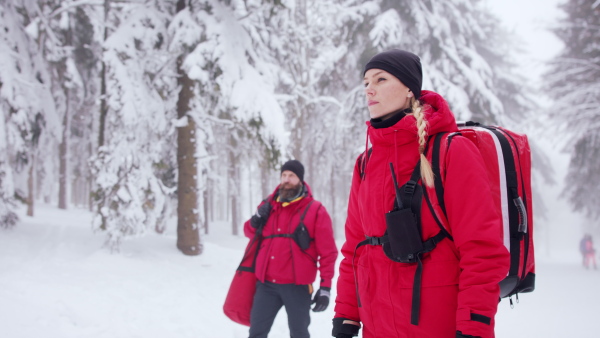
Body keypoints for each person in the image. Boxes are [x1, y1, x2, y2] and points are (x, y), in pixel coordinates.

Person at [332, 49, 510, 338]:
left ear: (408, 90)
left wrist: (474, 324)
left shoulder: (451, 152)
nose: (369, 89)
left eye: (380, 79)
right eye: (365, 82)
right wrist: (346, 313)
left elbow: (481, 250)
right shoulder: (365, 163)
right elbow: (356, 247)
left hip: (437, 326)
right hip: (377, 325)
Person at [244, 159, 338, 338]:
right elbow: (249, 232)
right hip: (266, 285)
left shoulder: (315, 210)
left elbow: (328, 253)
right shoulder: (267, 206)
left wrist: (325, 287)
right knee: (256, 333)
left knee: (299, 333)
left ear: (300, 180)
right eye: (284, 175)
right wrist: (256, 218)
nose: (286, 179)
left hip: (297, 287)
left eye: (291, 176)